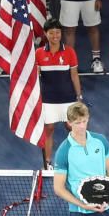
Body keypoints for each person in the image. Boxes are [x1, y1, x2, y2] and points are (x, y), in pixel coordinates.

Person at [36, 19, 83, 169]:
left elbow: (74, 75)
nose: (55, 36)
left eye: (58, 32)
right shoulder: (38, 53)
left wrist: (79, 97)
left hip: (68, 99)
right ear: (45, 34)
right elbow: (36, 78)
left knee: (72, 128)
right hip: (48, 100)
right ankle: (48, 162)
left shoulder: (70, 52)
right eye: (51, 33)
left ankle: (77, 159)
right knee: (48, 129)